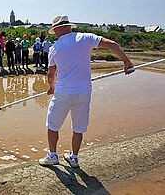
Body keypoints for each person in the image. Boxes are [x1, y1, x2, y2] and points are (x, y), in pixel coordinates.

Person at [39, 15, 134, 167]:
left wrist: (52, 88)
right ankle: (74, 158)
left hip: (63, 91)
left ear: (59, 29)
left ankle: (52, 156)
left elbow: (51, 74)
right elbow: (113, 44)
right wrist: (126, 61)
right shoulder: (86, 38)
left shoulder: (54, 48)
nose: (55, 34)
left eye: (55, 31)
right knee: (78, 127)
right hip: (83, 91)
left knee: (52, 124)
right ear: (69, 26)